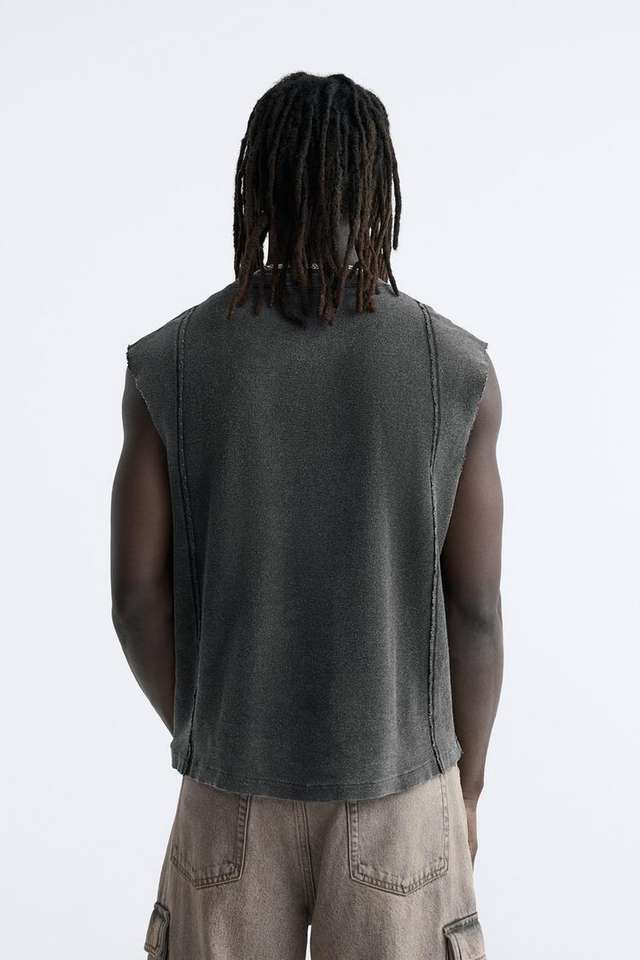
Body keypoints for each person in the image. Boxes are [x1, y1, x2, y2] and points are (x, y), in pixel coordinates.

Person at [111, 70, 503, 960]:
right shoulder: (455, 368)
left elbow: (136, 597)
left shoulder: (171, 362)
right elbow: (475, 605)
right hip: (402, 793)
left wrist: (214, 733)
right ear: (376, 188)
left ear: (258, 186)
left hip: (230, 788)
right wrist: (469, 790)